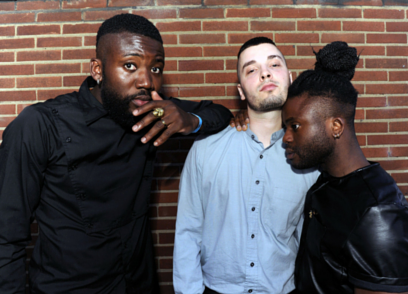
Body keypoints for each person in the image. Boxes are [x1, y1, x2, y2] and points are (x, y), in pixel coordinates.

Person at [0, 14, 234, 294]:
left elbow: (220, 113)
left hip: (139, 284)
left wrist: (190, 120)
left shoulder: (151, 111)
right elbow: (6, 236)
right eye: (130, 65)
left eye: (156, 68)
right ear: (98, 70)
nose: (147, 81)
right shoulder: (39, 124)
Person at [173, 37, 320, 294]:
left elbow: (310, 241)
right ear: (241, 91)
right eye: (252, 70)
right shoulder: (206, 149)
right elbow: (188, 232)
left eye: (274, 65)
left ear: (289, 77)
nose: (265, 73)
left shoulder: (310, 158)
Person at [282, 41, 408, 294]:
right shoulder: (326, 183)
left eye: (294, 126)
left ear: (335, 127)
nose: (285, 137)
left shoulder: (377, 216)